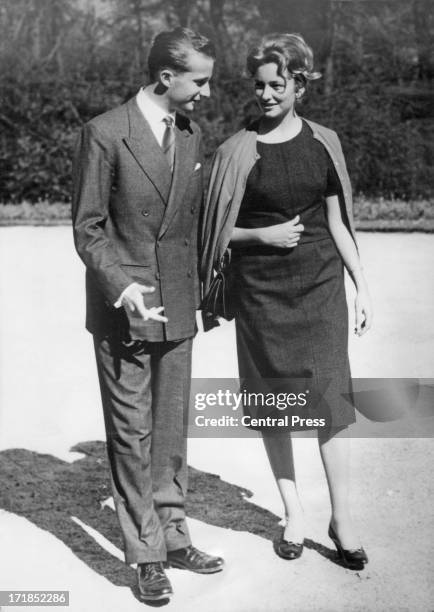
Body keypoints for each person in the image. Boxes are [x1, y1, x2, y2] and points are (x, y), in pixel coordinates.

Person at [201, 33, 373, 569]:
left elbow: (338, 220)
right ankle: (293, 512)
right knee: (276, 406)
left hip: (320, 289)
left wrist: (362, 284)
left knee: (329, 403)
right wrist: (260, 237)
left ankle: (342, 518)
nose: (267, 94)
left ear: (301, 84)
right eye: (260, 84)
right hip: (260, 296)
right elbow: (209, 233)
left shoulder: (324, 141)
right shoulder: (234, 151)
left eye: (278, 84)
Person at [72, 28, 224, 603]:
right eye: (200, 81)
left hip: (179, 304)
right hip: (125, 310)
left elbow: (189, 223)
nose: (206, 93)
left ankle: (175, 534)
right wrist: (121, 286)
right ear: (167, 77)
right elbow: (87, 228)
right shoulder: (105, 133)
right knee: (132, 434)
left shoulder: (191, 133)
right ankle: (145, 554)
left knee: (171, 428)